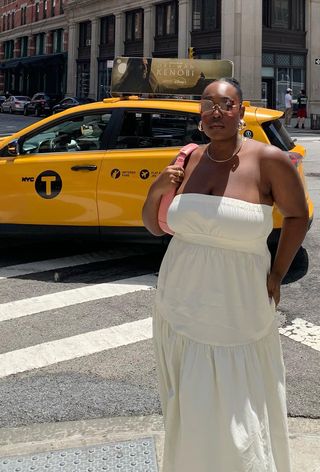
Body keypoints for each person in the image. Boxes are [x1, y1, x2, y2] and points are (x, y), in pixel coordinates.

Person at [142, 77, 309, 471]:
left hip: (239, 302)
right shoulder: (189, 159)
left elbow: (298, 215)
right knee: (191, 398)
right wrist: (154, 192)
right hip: (179, 299)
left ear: (241, 110)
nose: (215, 112)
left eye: (225, 104)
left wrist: (277, 273)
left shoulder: (268, 159)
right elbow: (154, 225)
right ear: (200, 114)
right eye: (207, 104)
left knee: (241, 406)